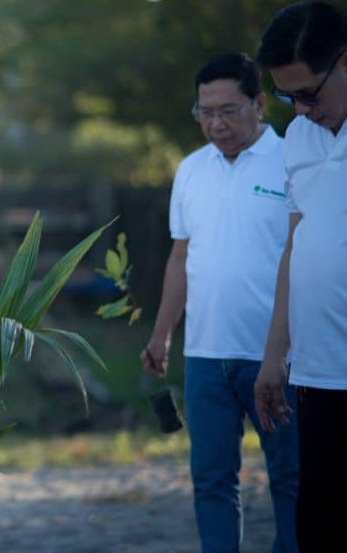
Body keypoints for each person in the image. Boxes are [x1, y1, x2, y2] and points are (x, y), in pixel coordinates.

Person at [141, 52, 298, 552]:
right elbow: (181, 257)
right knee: (211, 482)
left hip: (279, 355)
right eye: (205, 111)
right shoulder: (190, 170)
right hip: (205, 355)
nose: (215, 123)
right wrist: (162, 333)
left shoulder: (292, 160)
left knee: (291, 481)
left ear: (259, 104)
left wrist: (284, 350)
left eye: (228, 110)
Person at [254, 0, 347, 551]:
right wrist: (274, 356)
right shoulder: (299, 138)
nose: (303, 109)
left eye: (310, 92)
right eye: (289, 97)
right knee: (320, 524)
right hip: (320, 374)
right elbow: (296, 244)